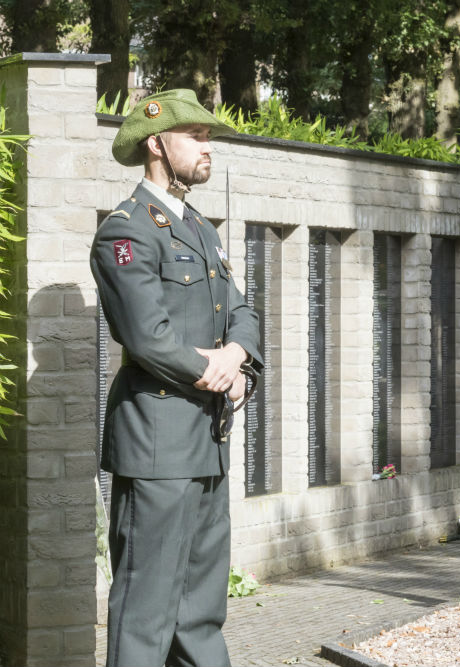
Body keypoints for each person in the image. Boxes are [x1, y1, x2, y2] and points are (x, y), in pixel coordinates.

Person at [91, 89, 262, 667]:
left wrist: (238, 354)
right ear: (157, 143)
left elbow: (241, 310)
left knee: (201, 611)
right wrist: (217, 371)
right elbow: (145, 338)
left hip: (206, 443)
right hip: (158, 440)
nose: (208, 145)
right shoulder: (127, 230)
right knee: (147, 611)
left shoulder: (202, 230)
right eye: (197, 135)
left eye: (210, 135)